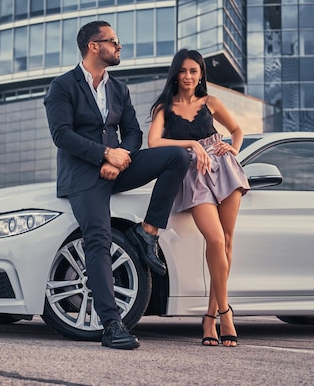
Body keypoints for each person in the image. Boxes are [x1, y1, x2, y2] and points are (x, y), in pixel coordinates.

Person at [44, 21, 190, 350]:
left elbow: (135, 132)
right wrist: (104, 156)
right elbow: (62, 135)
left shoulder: (119, 90)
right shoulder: (62, 86)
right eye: (113, 41)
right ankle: (112, 324)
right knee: (98, 238)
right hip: (82, 175)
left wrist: (121, 156)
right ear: (94, 46)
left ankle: (147, 232)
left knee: (176, 158)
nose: (119, 46)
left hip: (116, 166)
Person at [147, 49, 250, 347]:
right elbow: (154, 142)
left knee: (228, 242)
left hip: (225, 170)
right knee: (215, 240)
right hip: (194, 174)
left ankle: (211, 315)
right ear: (175, 74)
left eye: (194, 71)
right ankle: (225, 313)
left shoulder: (211, 102)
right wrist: (193, 143)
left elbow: (237, 129)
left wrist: (234, 148)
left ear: (201, 74)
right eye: (183, 71)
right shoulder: (164, 107)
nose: (189, 76)